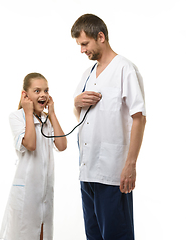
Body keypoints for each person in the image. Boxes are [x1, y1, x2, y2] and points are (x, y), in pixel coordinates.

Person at [71, 14, 146, 240]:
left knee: (117, 235)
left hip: (113, 173)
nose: (82, 50)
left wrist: (130, 164)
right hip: (87, 171)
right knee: (93, 236)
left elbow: (139, 118)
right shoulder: (87, 74)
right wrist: (76, 103)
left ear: (100, 36)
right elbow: (82, 118)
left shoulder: (125, 69)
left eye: (85, 44)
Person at [0, 73, 67, 240]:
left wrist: (52, 113)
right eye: (37, 91)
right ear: (25, 95)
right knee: (24, 234)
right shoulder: (17, 117)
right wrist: (28, 113)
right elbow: (30, 144)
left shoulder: (47, 119)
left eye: (46, 90)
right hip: (26, 194)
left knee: (42, 233)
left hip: (44, 193)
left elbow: (62, 145)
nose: (42, 94)